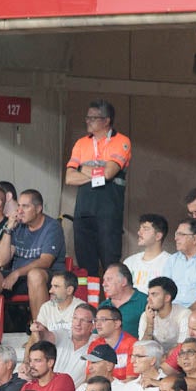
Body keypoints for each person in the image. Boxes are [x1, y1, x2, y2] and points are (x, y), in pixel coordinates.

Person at [65, 100, 131, 276]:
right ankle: (89, 295)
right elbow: (69, 178)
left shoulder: (121, 141)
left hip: (108, 212)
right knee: (86, 267)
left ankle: (110, 295)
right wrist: (95, 172)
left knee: (110, 263)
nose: (88, 121)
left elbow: (109, 173)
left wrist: (81, 168)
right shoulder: (81, 143)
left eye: (93, 118)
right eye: (87, 117)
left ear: (106, 120)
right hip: (83, 211)